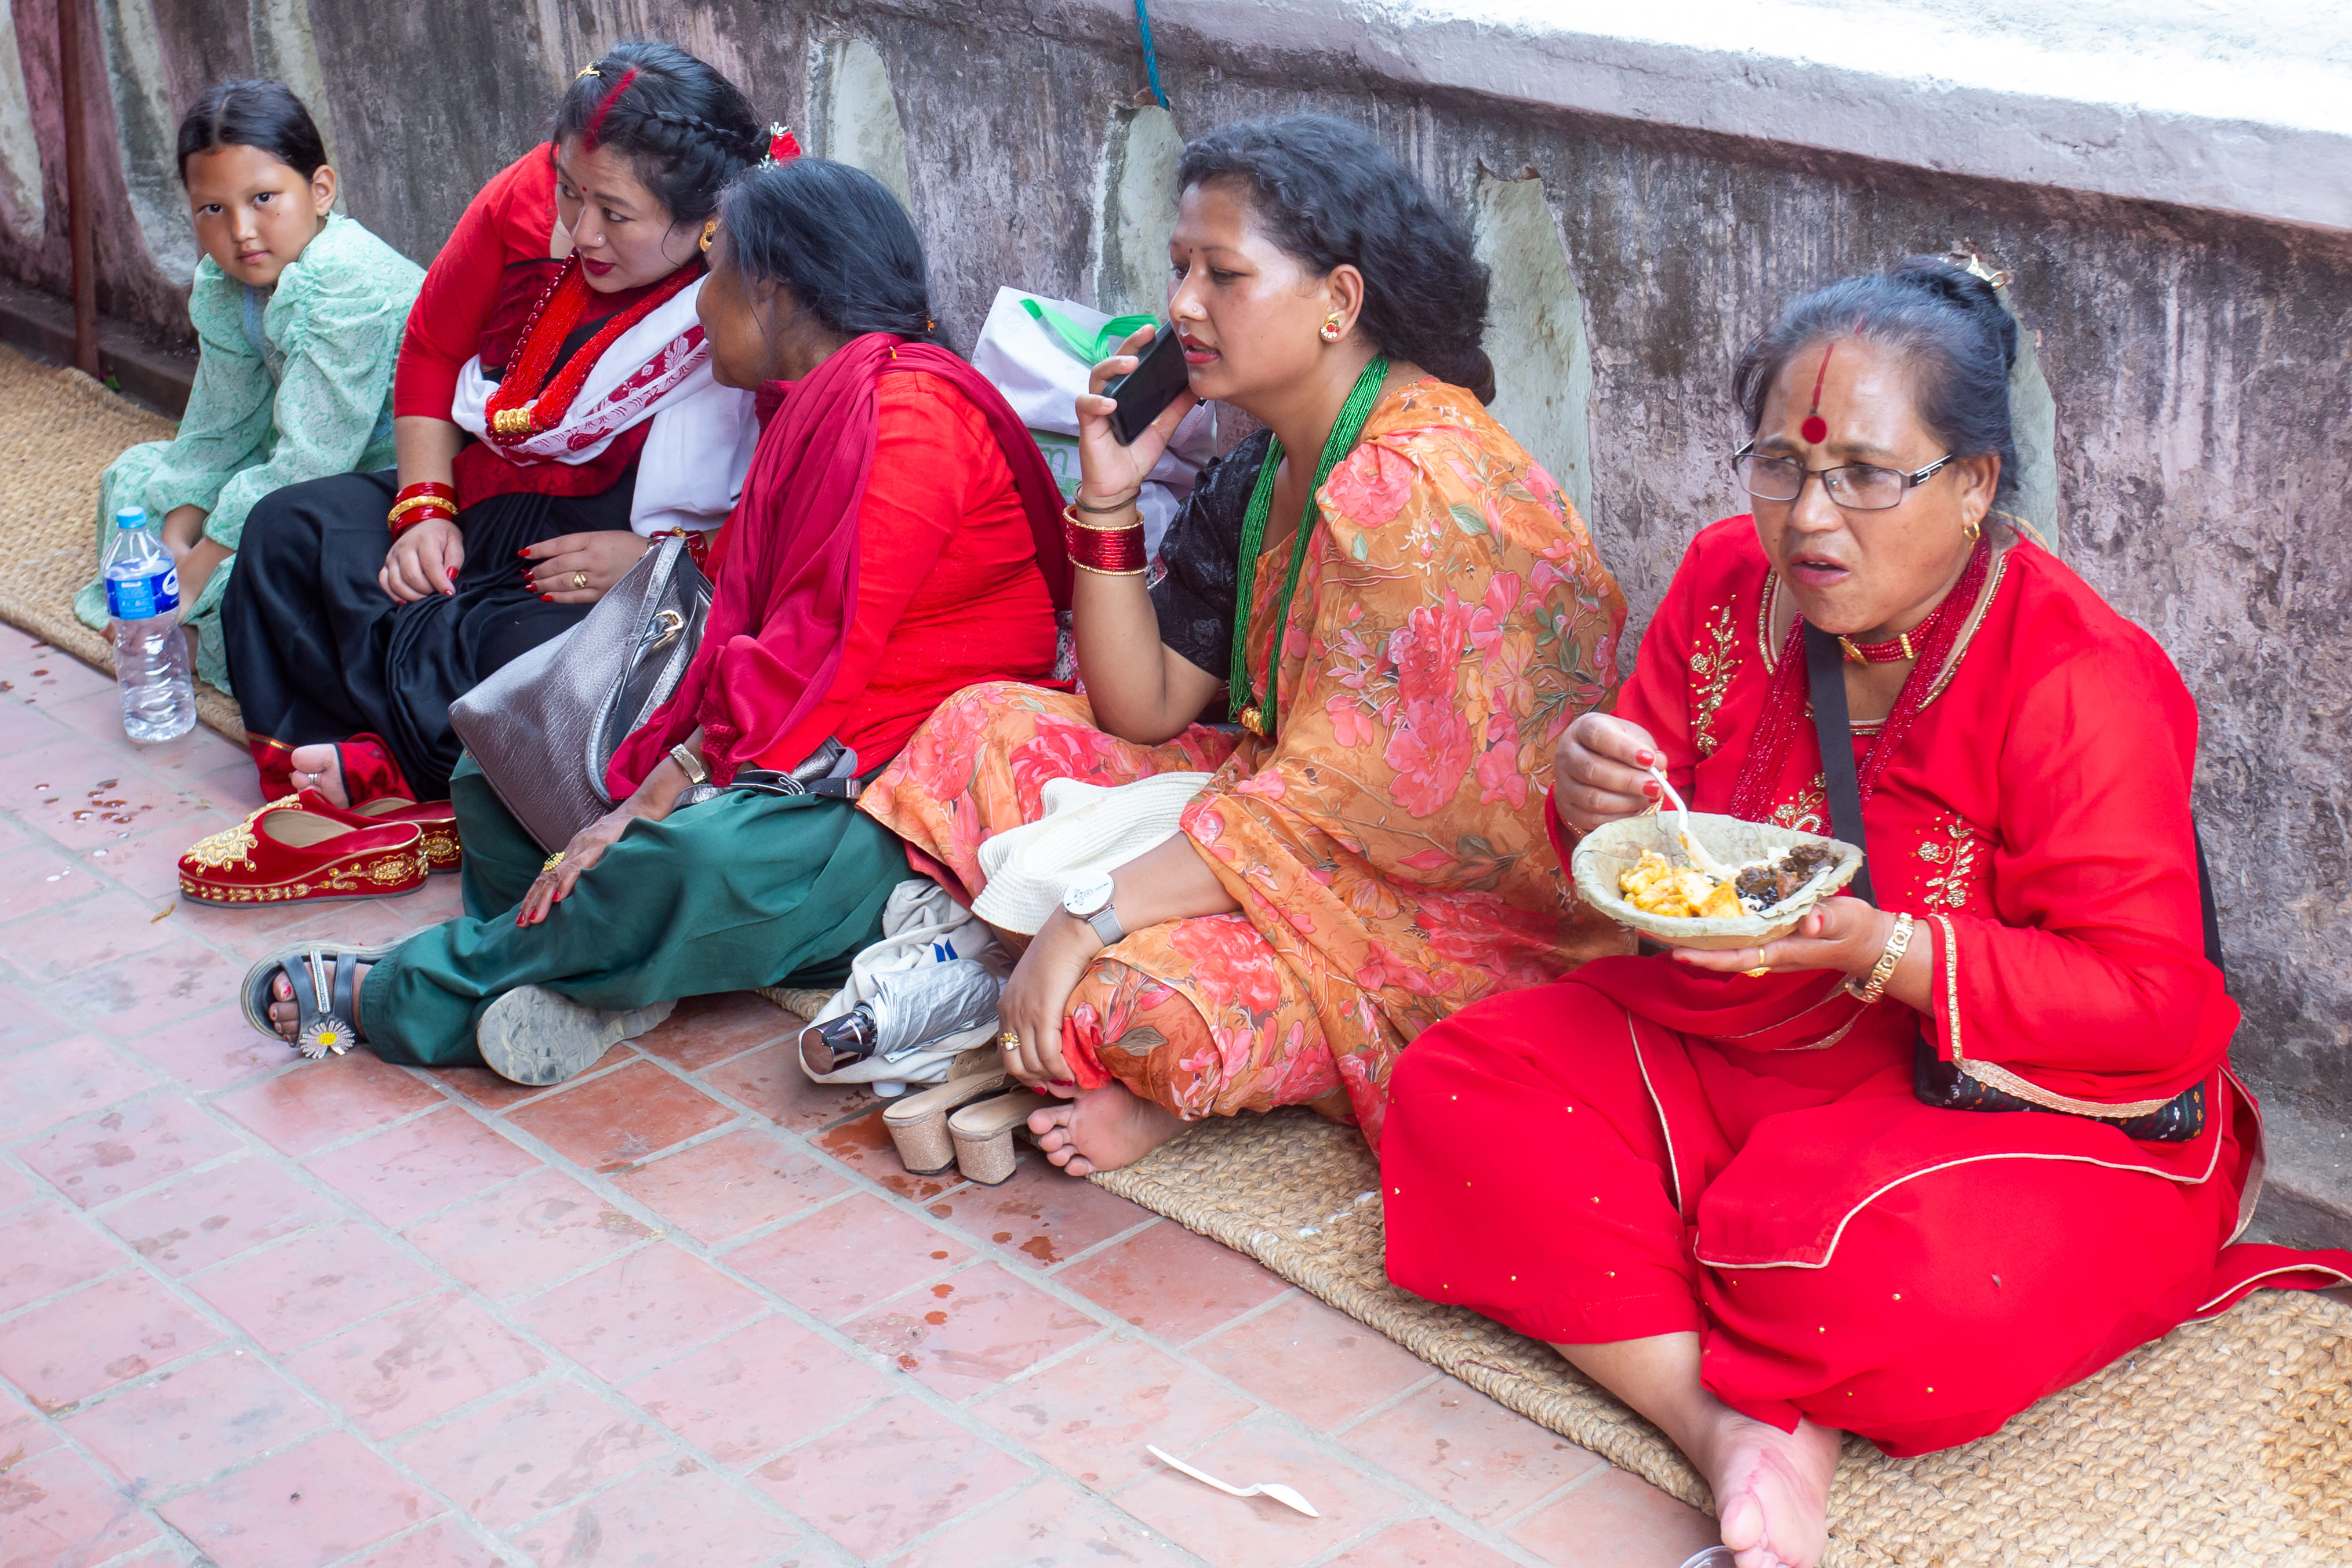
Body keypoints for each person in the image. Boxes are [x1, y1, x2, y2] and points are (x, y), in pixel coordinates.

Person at [1379, 258, 2352, 1568]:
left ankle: (1709, 1268)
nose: (1810, 520)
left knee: (1856, 1268)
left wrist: (1889, 949)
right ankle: (1731, 1432)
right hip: (1736, 1030)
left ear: (1972, 486)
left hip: (1981, 1096)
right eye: (1780, 465)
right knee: (1457, 1081)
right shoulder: (1726, 579)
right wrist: (1582, 791)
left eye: (1866, 476)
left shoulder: (2077, 678)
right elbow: (1641, 841)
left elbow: (2151, 1003)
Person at [860, 114, 1630, 1175]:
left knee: (1138, 1007)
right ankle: (1034, 984)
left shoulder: (1418, 493)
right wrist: (1108, 500)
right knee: (976, 731)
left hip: (1442, 921)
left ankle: (1084, 1017)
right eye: (1180, 268)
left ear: (1339, 302)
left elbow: (1334, 816)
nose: (1181, 305)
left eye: (1221, 274)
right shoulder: (1265, 466)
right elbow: (1145, 708)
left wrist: (1086, 921)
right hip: (1274, 821)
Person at [241, 156, 1072, 1083]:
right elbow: (758, 624)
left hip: (901, 789)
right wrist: (653, 780)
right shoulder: (819, 401)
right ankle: (598, 971)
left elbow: (814, 665)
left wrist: (651, 799)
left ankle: (419, 992)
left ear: (774, 293)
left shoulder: (911, 420)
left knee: (687, 862)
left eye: (713, 280)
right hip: (803, 742)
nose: (698, 308)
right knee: (502, 759)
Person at [220, 42, 768, 805]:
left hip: (606, 547)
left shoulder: (760, 277)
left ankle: (391, 765)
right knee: (286, 533)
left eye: (615, 214)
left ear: (706, 222)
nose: (581, 232)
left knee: (539, 663)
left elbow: (803, 482)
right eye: (572, 193)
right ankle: (384, 754)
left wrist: (667, 561)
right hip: (484, 491)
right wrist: (423, 511)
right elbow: (435, 344)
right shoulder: (528, 200)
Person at [76, 80, 421, 692]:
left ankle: (197, 634)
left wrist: (197, 569)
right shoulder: (226, 281)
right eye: (213, 209)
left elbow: (311, 464)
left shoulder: (347, 282)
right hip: (290, 465)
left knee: (279, 567)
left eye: (264, 198)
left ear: (320, 190)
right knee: (137, 479)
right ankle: (185, 615)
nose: (241, 231)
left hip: (382, 488)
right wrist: (179, 534)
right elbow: (219, 423)